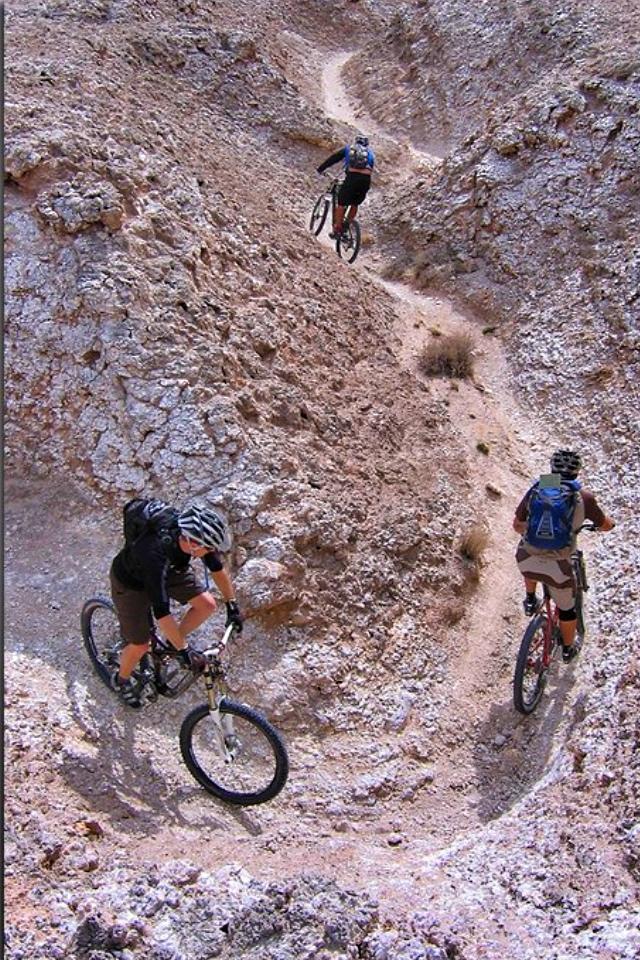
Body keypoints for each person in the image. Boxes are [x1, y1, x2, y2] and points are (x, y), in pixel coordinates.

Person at [110, 503, 243, 708]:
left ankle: (170, 646)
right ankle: (121, 680)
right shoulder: (155, 553)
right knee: (140, 644)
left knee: (207, 605)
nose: (210, 551)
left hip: (170, 571)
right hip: (133, 583)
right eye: (208, 547)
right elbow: (162, 613)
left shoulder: (192, 537)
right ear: (192, 543)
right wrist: (185, 650)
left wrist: (232, 605)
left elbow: (216, 568)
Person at [513, 450, 615, 662]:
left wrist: (535, 535)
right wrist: (609, 525)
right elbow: (605, 525)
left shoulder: (539, 487)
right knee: (567, 609)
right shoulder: (583, 497)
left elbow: (517, 525)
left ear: (552, 468)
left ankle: (530, 599)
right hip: (558, 568)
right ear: (577, 472)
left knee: (529, 551)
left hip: (526, 561)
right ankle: (568, 649)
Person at [316, 134, 374, 239]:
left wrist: (321, 169)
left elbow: (333, 158)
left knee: (341, 203)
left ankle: (337, 229)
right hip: (366, 180)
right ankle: (346, 226)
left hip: (352, 178)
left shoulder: (349, 149)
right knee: (354, 204)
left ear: (355, 142)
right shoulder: (370, 153)